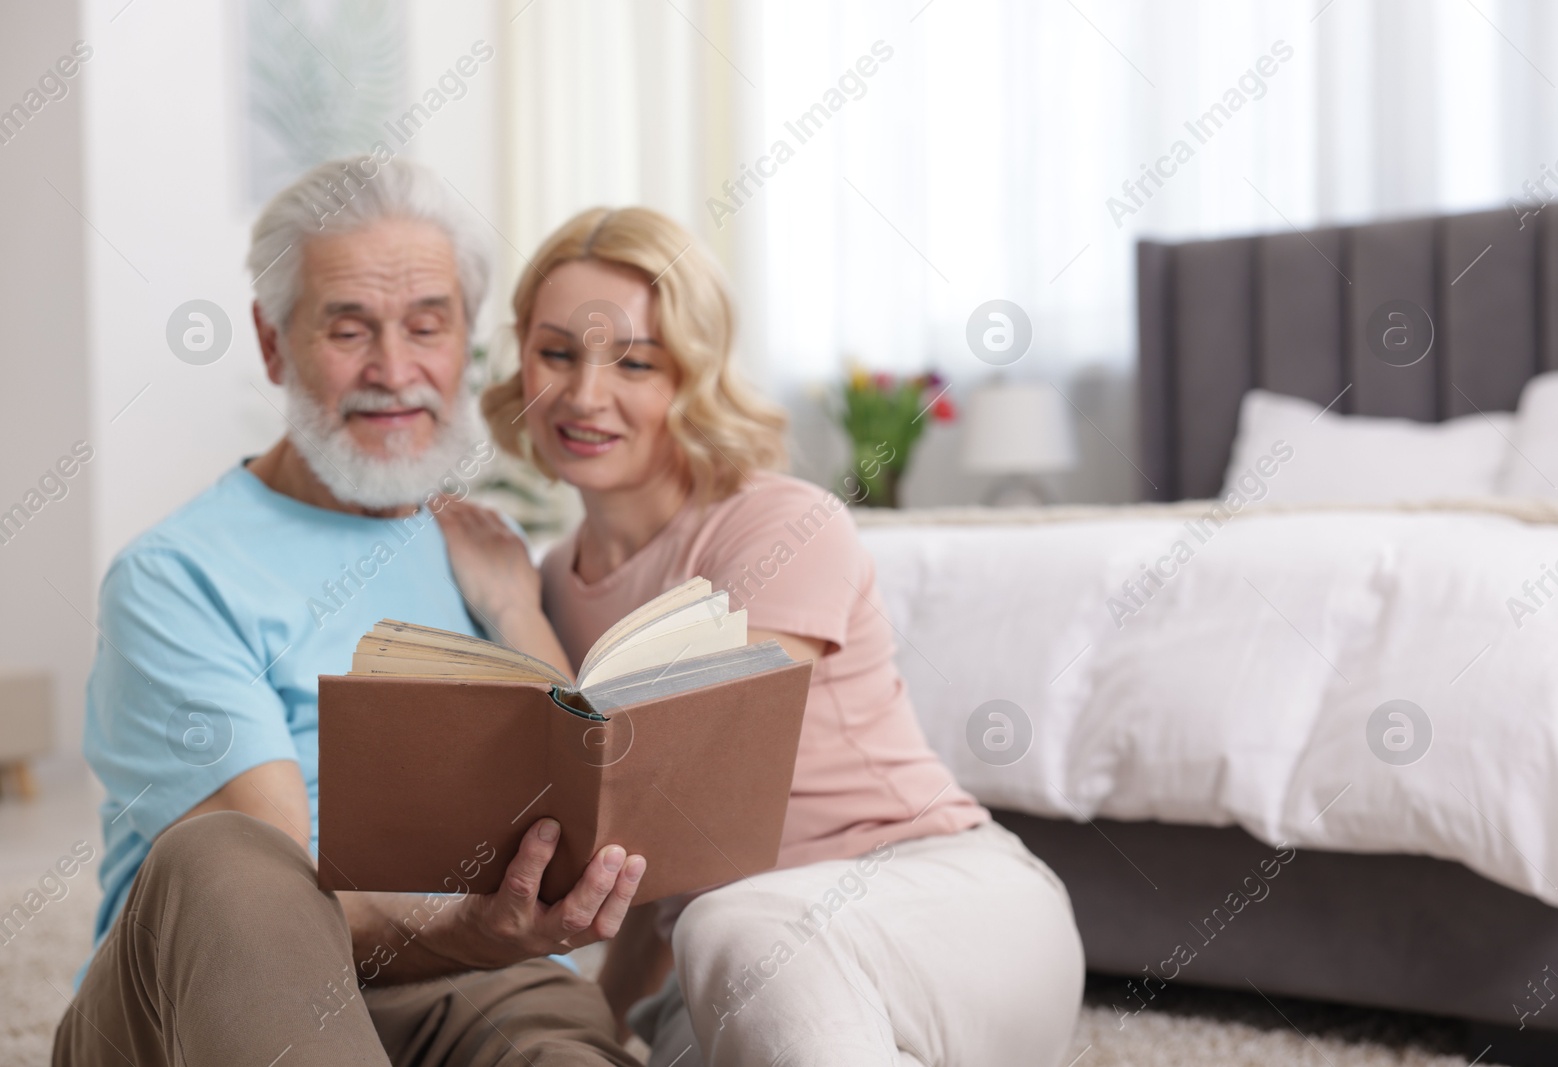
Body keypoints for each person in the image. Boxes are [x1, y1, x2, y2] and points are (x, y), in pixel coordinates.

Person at [441, 205, 1086, 1067]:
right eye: (557, 352)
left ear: (695, 374)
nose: (585, 395)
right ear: (523, 356)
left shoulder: (781, 522)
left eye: (635, 361)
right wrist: (594, 1019)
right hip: (741, 956)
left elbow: (652, 775)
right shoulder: (559, 576)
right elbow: (641, 870)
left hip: (947, 904)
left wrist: (513, 613)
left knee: (735, 927)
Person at [55, 157, 648, 1067]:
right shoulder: (176, 576)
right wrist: (477, 926)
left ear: (465, 342)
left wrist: (514, 608)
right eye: (348, 328)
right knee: (228, 857)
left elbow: (580, 820)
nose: (395, 369)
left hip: (480, 987)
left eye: (428, 324)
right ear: (270, 342)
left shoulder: (489, 554)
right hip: (221, 1004)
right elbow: (278, 901)